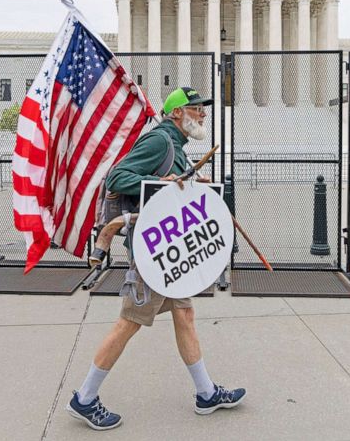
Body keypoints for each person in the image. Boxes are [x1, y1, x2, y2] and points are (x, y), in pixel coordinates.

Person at [67, 86, 246, 431]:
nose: (202, 114)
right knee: (129, 322)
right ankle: (84, 399)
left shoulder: (175, 147)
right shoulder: (161, 141)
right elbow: (117, 177)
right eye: (195, 109)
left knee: (185, 313)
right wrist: (159, 181)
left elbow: (171, 187)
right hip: (154, 255)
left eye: (202, 109)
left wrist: (194, 185)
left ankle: (206, 393)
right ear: (176, 113)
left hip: (169, 251)